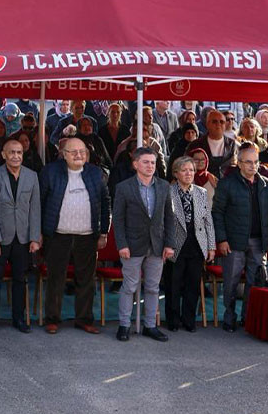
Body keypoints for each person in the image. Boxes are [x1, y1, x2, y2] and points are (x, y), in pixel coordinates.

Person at [39, 136, 110, 335]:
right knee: (56, 279)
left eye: (82, 152)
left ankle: (84, 319)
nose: (79, 155)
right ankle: (52, 319)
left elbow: (106, 203)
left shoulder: (96, 174)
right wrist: (39, 232)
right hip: (58, 234)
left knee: (86, 280)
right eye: (74, 152)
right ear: (64, 155)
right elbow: (40, 203)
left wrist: (103, 232)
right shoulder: (50, 172)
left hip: (87, 235)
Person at [110, 147, 175, 342]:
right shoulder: (124, 187)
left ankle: (150, 326)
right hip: (131, 245)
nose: (150, 166)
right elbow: (118, 220)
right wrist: (121, 244)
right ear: (135, 164)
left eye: (153, 162)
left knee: (153, 288)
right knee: (129, 286)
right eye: (146, 162)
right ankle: (124, 325)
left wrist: (169, 244)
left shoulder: (164, 186)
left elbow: (169, 218)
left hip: (157, 244)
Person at [211, 142, 268, 332]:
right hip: (233, 242)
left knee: (255, 281)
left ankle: (249, 317)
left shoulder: (266, 184)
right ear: (239, 163)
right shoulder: (227, 184)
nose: (253, 166)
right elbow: (217, 213)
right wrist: (222, 240)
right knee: (231, 281)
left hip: (258, 241)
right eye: (248, 162)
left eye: (255, 162)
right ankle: (229, 317)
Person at [0, 138, 42, 334]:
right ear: (4, 154)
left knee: (21, 279)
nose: (16, 156)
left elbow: (35, 209)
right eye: (12, 152)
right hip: (0, 238)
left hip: (23, 238)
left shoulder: (32, 176)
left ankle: (19, 318)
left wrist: (35, 237)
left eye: (19, 152)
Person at [163, 155, 216, 333]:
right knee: (173, 284)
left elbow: (208, 220)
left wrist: (211, 246)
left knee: (193, 285)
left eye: (191, 170)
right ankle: (172, 320)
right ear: (176, 173)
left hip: (196, 244)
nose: (188, 173)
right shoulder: (168, 191)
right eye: (184, 170)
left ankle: (189, 320)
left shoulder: (201, 192)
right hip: (175, 244)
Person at [187, 109, 237, 178]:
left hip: (226, 184)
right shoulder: (195, 145)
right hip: (203, 184)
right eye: (214, 121)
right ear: (207, 124)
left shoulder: (232, 144)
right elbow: (187, 166)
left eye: (222, 122)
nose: (218, 124)